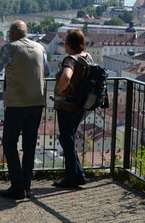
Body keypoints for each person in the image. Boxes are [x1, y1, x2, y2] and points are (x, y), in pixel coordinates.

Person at [0, 20, 50, 200]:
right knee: (29, 146)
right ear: (25, 33)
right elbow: (47, 72)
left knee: (9, 143)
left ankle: (17, 185)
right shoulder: (40, 48)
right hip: (37, 103)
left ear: (12, 34)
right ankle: (26, 186)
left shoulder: (9, 47)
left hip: (17, 103)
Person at [52, 29, 90, 188]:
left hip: (67, 105)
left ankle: (71, 178)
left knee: (67, 140)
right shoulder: (87, 57)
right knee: (68, 139)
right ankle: (79, 174)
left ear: (68, 44)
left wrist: (61, 90)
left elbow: (67, 76)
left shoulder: (71, 60)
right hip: (81, 105)